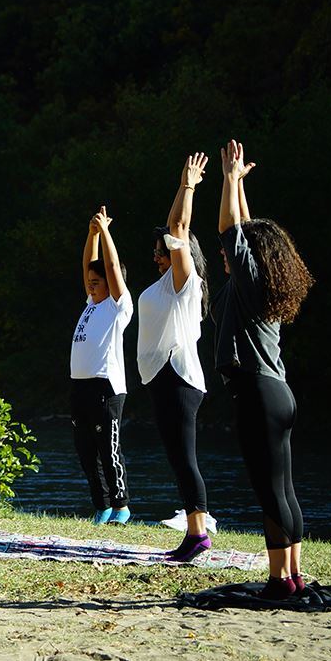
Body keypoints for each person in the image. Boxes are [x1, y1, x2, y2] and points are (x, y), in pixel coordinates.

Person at [214, 139, 314, 599]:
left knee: (269, 490)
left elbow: (230, 233)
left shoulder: (250, 282)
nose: (231, 257)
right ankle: (292, 573)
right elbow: (246, 232)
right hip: (279, 394)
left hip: (257, 392)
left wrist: (229, 181)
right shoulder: (267, 285)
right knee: (283, 487)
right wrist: (239, 187)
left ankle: (279, 580)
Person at [138, 153, 214, 561]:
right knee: (175, 454)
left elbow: (178, 227)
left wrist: (188, 186)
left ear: (178, 254)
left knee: (184, 456)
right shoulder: (165, 284)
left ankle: (199, 533)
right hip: (162, 377)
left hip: (178, 376)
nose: (157, 257)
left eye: (162, 252)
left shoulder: (183, 282)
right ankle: (193, 530)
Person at [70, 206, 132, 525]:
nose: (91, 286)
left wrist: (106, 232)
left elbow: (109, 266)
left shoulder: (117, 307)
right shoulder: (91, 305)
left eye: (97, 282)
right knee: (85, 450)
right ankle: (102, 505)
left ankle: (121, 505)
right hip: (80, 385)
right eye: (90, 283)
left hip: (105, 387)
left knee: (108, 449)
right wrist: (91, 235)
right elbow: (88, 265)